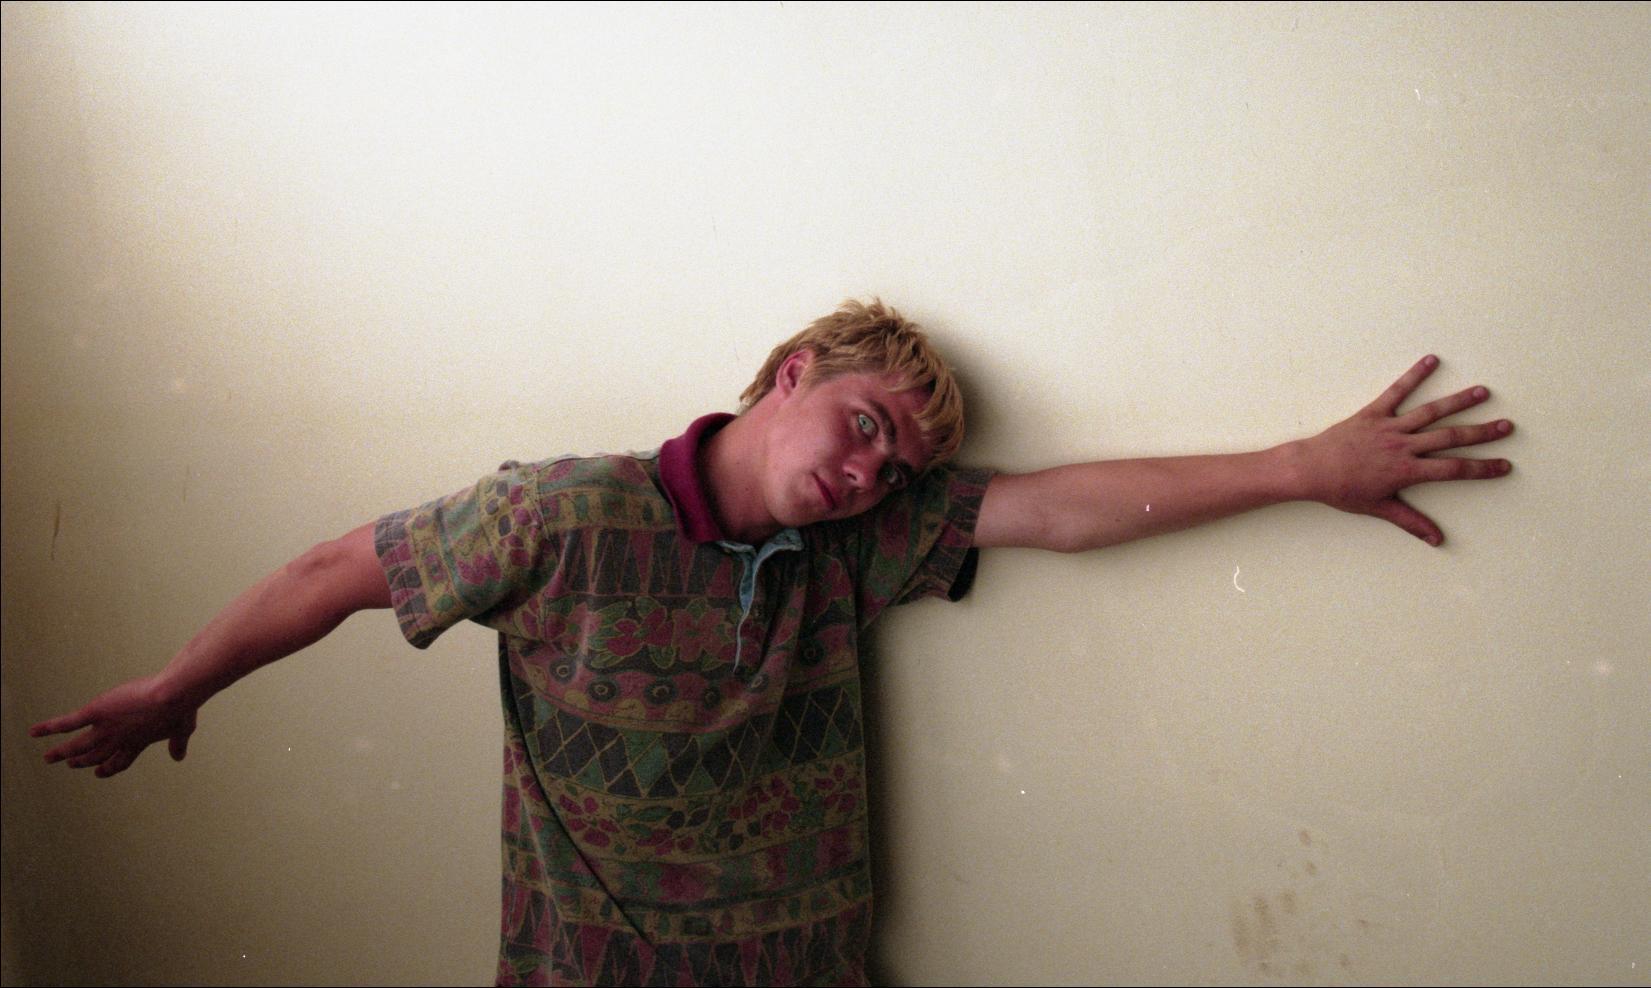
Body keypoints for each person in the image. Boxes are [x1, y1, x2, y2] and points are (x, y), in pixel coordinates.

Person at [31, 298, 1515, 986]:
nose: (870, 473)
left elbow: (1063, 510)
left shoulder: (861, 545)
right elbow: (338, 569)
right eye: (863, 426)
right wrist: (180, 683)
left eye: (896, 466)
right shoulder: (560, 514)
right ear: (792, 374)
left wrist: (1304, 469)